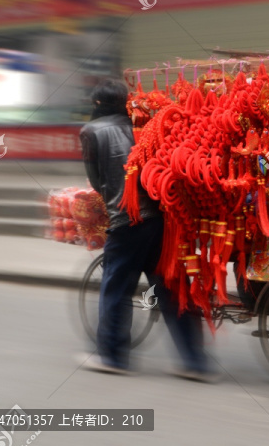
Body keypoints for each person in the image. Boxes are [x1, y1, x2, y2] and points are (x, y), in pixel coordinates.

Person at [80, 79, 215, 380]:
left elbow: (96, 180)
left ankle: (113, 357)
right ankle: (195, 362)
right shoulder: (143, 124)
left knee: (116, 288)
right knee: (168, 288)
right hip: (161, 220)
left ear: (97, 104)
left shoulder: (90, 131)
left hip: (126, 221)